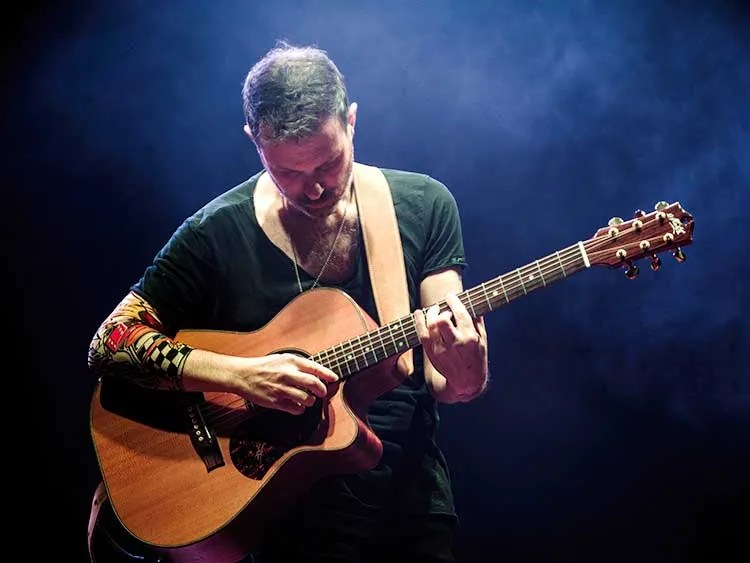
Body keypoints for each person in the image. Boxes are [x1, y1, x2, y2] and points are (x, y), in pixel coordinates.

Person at [87, 41, 490, 563]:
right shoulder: (215, 232)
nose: (316, 189)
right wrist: (239, 377)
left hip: (410, 509)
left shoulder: (423, 205)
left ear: (351, 122)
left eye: (328, 163)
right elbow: (110, 343)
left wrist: (468, 366)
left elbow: (450, 383)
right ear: (254, 141)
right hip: (281, 516)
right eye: (290, 173)